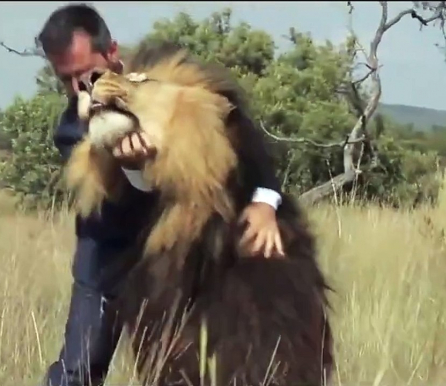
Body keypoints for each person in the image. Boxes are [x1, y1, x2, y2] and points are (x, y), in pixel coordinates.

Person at [37, 4, 285, 386]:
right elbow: (115, 195)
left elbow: (239, 129)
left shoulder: (166, 80)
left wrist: (265, 200)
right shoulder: (73, 129)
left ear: (112, 51)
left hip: (180, 251)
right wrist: (133, 167)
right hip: (110, 253)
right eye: (65, 80)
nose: (77, 90)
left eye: (85, 75)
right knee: (79, 370)